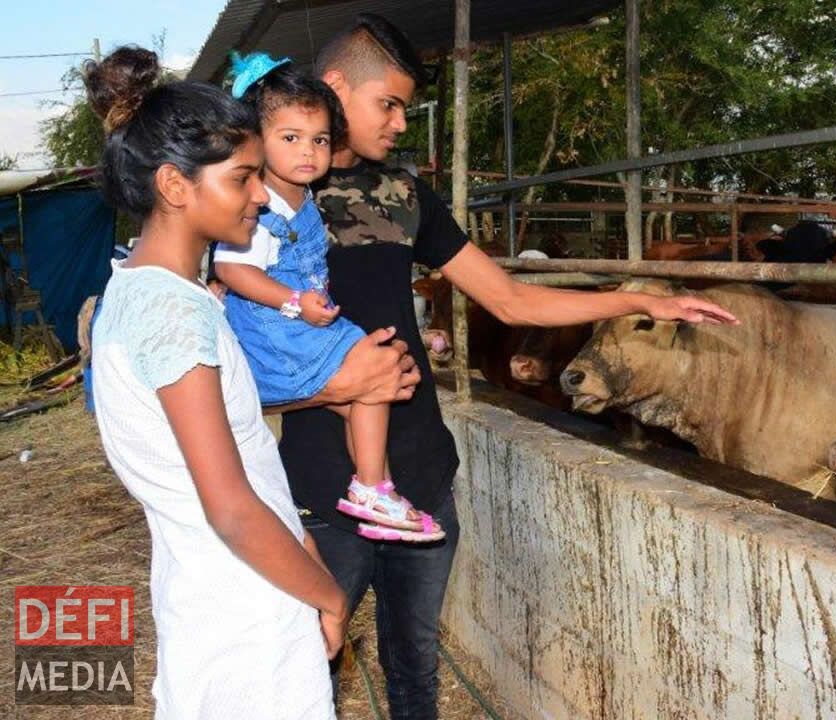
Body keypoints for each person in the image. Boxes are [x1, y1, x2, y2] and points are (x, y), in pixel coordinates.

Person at [280, 14, 738, 718]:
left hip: (423, 477)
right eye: (389, 104)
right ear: (335, 86)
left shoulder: (404, 197)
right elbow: (229, 355)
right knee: (303, 667)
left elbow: (509, 296)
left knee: (415, 672)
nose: (402, 123)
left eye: (406, 107)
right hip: (323, 488)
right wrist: (324, 390)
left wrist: (641, 298)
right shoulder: (267, 201)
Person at [84, 44, 419, 718]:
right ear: (176, 187)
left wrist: (310, 566)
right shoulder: (173, 317)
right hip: (246, 625)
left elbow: (252, 469)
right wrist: (330, 598)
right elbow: (231, 508)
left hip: (226, 598)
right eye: (243, 178)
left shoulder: (154, 296)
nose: (262, 195)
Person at [213, 52, 439, 541]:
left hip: (301, 321)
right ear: (255, 140)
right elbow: (231, 268)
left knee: (370, 390)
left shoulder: (302, 196)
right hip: (276, 327)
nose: (308, 153)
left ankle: (374, 489)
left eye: (318, 140)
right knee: (375, 375)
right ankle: (372, 486)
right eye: (290, 139)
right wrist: (293, 301)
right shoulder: (261, 204)